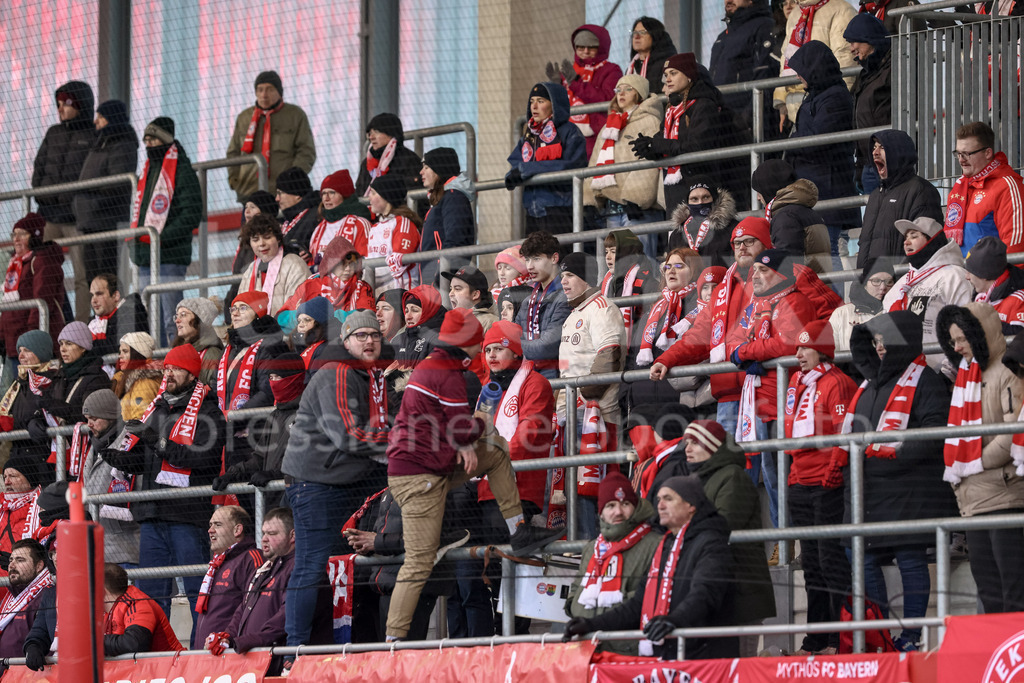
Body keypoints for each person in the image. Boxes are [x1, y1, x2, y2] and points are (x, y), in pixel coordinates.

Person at [384, 309, 563, 641]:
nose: (486, 351)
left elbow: (467, 431)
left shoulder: (433, 367)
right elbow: (462, 426)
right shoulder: (448, 373)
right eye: (483, 345)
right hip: (422, 475)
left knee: (494, 453)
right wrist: (475, 430)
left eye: (496, 347)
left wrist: (470, 438)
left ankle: (514, 530)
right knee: (420, 563)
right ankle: (393, 641)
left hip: (428, 470)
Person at [834, 310, 954, 651]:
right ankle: (884, 635)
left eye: (887, 340)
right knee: (864, 560)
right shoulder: (867, 385)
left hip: (910, 489)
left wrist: (896, 454)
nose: (881, 347)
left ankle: (912, 637)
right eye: (877, 341)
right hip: (867, 492)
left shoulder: (926, 379)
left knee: (910, 558)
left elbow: (936, 430)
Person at [280, 312, 397, 648]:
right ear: (346, 342)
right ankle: (295, 650)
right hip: (317, 482)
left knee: (343, 568)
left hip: (344, 480)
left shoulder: (368, 375)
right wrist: (400, 444)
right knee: (312, 565)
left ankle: (346, 644)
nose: (370, 341)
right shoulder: (338, 372)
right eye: (360, 336)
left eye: (374, 335)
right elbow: (348, 435)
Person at [99, 344, 225, 622]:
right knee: (151, 597)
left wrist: (159, 442)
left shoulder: (209, 411)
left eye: (176, 369)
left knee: (196, 593)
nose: (168, 374)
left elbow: (206, 458)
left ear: (192, 375)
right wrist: (114, 457)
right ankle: (155, 657)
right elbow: (144, 464)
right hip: (152, 515)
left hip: (187, 517)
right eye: (166, 368)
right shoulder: (155, 409)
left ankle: (201, 654)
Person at [563, 475, 738, 659]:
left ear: (691, 505)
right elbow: (639, 602)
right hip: (674, 655)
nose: (660, 505)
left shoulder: (711, 543)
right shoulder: (668, 545)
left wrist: (676, 620)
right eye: (659, 499)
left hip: (706, 658)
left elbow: (705, 593)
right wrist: (591, 625)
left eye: (669, 499)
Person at [940, 304, 1024, 615]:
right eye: (953, 342)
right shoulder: (965, 376)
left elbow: (1013, 433)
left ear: (980, 333)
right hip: (973, 500)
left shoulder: (1008, 371)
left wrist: (974, 462)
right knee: (989, 593)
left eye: (962, 338)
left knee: (1014, 590)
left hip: (1005, 496)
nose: (958, 347)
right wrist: (969, 467)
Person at [726, 249, 816, 530]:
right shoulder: (759, 303)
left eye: (764, 271)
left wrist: (750, 352)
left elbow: (789, 345)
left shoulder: (794, 301)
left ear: (781, 274)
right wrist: (747, 352)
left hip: (785, 401)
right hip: (763, 401)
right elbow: (732, 343)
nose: (757, 276)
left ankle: (791, 539)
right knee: (772, 474)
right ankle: (782, 537)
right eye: (755, 272)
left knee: (784, 475)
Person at [783, 321, 856, 655]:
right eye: (797, 348)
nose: (799, 355)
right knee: (811, 565)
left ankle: (837, 640)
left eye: (805, 348)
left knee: (829, 562)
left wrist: (833, 470)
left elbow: (844, 433)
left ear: (823, 350)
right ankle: (815, 639)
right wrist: (793, 477)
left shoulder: (837, 382)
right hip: (800, 482)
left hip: (827, 484)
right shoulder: (796, 381)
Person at [681, 420, 776, 657]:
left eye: (694, 442)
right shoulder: (697, 480)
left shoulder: (733, 476)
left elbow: (722, 525)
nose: (687, 449)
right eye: (686, 443)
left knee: (739, 669)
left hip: (741, 595)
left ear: (712, 445)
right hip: (719, 592)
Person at [558, 253, 627, 536]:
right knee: (574, 486)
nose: (563, 281)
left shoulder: (602, 308)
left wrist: (581, 393)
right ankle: (582, 552)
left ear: (586, 277)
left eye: (570, 275)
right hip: (574, 412)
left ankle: (597, 547)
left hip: (597, 414)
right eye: (562, 276)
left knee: (594, 487)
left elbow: (609, 354)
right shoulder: (576, 311)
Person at [631, 53, 744, 216]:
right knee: (677, 239)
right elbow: (662, 141)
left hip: (700, 189)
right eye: (666, 75)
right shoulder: (672, 108)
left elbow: (698, 145)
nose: (668, 79)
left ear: (689, 76)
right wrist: (648, 147)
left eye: (674, 73)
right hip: (676, 191)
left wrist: (658, 144)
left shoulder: (705, 105)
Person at [565, 472, 662, 656]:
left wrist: (601, 616)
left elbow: (649, 597)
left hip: (628, 652)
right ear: (601, 512)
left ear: (635, 507)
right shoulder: (592, 548)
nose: (618, 511)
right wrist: (573, 607)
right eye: (611, 505)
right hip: (586, 650)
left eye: (625, 504)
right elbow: (576, 589)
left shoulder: (655, 544)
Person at [130, 117, 203, 344]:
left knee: (173, 319)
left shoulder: (182, 170)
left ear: (165, 140)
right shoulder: (149, 170)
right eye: (147, 140)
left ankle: (176, 363)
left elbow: (191, 214)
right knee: (151, 318)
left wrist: (161, 238)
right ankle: (159, 369)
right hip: (145, 257)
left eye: (154, 138)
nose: (149, 144)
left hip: (169, 255)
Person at [785, 41, 860, 261]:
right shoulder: (817, 95)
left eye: (802, 71)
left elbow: (819, 140)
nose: (798, 77)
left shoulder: (835, 97)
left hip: (829, 188)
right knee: (818, 256)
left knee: (827, 254)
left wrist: (791, 144)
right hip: (816, 187)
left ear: (814, 69)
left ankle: (832, 296)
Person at [31, 80, 95, 321]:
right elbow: (38, 170)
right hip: (49, 216)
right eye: (58, 104)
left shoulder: (92, 135)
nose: (60, 109)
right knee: (42, 272)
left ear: (80, 104)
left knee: (82, 275)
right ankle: (52, 321)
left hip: (75, 218)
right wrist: (44, 196)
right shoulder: (53, 133)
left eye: (66, 104)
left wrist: (72, 200)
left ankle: (80, 326)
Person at [213, 352, 306, 505]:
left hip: (296, 499)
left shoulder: (307, 413)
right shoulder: (275, 415)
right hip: (272, 502)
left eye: (279, 378)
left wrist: (274, 474)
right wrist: (233, 474)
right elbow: (260, 457)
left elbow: (304, 459)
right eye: (271, 378)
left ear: (295, 378)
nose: (274, 383)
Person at [584, 75, 665, 248]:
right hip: (612, 211)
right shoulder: (609, 126)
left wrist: (636, 198)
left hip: (640, 211)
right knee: (617, 268)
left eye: (628, 89)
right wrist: (590, 201)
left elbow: (648, 162)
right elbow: (595, 163)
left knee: (640, 265)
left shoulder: (650, 121)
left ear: (640, 94)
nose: (621, 93)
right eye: (618, 90)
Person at [883, 217, 973, 372]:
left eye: (914, 236)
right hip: (903, 378)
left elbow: (967, 328)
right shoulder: (900, 286)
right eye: (905, 238)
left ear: (932, 241)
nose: (906, 242)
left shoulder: (955, 276)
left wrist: (947, 375)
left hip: (943, 378)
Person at [506, 82, 588, 235]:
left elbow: (572, 166)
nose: (534, 106)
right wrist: (513, 174)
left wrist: (527, 170)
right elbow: (516, 162)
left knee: (558, 256)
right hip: (531, 209)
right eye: (532, 102)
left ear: (555, 105)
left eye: (541, 101)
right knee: (533, 257)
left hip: (558, 208)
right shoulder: (530, 134)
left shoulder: (570, 132)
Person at [856, 129, 944, 269]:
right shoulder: (875, 195)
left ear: (898, 152)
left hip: (901, 285)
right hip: (870, 285)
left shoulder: (921, 190)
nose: (875, 152)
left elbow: (925, 244)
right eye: (874, 148)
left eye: (882, 147)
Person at [226, 70, 316, 202]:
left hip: (282, 195)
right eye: (260, 90)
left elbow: (306, 152)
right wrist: (235, 181)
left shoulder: (295, 115)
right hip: (249, 193)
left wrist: (292, 181)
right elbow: (233, 152)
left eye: (270, 89)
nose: (264, 94)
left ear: (279, 92)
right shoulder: (244, 118)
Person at [75, 99, 138, 282]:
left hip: (107, 221)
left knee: (106, 276)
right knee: (93, 278)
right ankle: (100, 312)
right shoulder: (101, 141)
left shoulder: (122, 143)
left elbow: (117, 184)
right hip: (91, 220)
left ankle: (113, 311)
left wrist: (91, 201)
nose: (96, 121)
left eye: (101, 117)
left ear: (111, 118)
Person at [1, 213, 65, 388]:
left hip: (31, 346)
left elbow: (43, 303)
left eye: (23, 234)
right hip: (13, 344)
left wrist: (29, 340)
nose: (17, 239)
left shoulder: (42, 261)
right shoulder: (15, 263)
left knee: (25, 395)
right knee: (9, 400)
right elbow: (7, 308)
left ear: (35, 235)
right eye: (14, 234)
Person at [944, 121, 1024, 256]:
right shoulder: (960, 187)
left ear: (987, 153)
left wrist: (999, 277)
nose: (961, 160)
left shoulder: (1007, 185)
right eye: (958, 153)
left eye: (967, 154)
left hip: (991, 276)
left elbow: (1016, 247)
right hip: (962, 273)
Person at [80, 388, 138, 567]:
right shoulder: (95, 444)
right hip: (99, 542)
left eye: (94, 419)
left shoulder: (129, 442)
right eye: (87, 420)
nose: (89, 424)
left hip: (124, 544)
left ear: (110, 417)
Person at [775, 0, 857, 126]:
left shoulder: (841, 9)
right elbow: (786, 57)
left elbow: (845, 58)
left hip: (827, 106)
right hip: (796, 109)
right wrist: (781, 101)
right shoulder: (796, 12)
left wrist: (839, 102)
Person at [193, 506, 262, 649]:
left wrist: (228, 640)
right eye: (210, 525)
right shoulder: (218, 563)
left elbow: (253, 608)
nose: (210, 530)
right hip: (209, 653)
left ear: (237, 530)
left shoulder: (251, 559)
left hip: (229, 653)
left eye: (218, 525)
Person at [549, 25, 623, 157]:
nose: (586, 51)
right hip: (566, 136)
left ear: (601, 47)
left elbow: (607, 99)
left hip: (596, 136)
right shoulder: (568, 70)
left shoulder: (611, 70)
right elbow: (556, 107)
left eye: (592, 47)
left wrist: (576, 84)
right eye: (581, 47)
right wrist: (555, 87)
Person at [278, 236, 375, 334]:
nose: (348, 269)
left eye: (352, 264)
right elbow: (281, 319)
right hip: (310, 343)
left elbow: (368, 317)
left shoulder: (362, 287)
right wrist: (300, 317)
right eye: (343, 264)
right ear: (332, 264)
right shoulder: (310, 285)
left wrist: (318, 317)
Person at [710, 0, 779, 136]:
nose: (728, 1)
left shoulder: (765, 26)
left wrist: (747, 118)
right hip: (721, 124)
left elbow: (766, 76)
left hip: (749, 126)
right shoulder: (722, 37)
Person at [750, 160, 831, 272]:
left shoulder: (786, 217)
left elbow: (786, 267)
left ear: (769, 188)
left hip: (802, 287)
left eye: (759, 192)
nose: (758, 198)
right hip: (814, 285)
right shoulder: (803, 211)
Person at [0, 332, 61, 473]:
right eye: (19, 351)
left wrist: (33, 421)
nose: (20, 356)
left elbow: (55, 414)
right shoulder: (19, 383)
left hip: (43, 462)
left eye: (27, 351)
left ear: (41, 352)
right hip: (19, 456)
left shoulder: (53, 381)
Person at [845, 15, 892, 194]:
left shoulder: (894, 67)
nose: (851, 49)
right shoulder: (865, 73)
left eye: (853, 42)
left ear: (868, 38)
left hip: (890, 161)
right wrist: (860, 164)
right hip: (868, 165)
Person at [515, 231, 571, 379]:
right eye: (527, 260)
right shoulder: (529, 299)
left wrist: (515, 346)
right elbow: (513, 333)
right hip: (529, 374)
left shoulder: (567, 295)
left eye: (536, 259)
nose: (530, 266)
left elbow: (548, 347)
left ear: (554, 258)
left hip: (557, 376)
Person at [418, 148, 475, 286]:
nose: (421, 172)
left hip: (443, 282)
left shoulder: (454, 198)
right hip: (435, 280)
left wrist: (441, 279)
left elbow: (456, 241)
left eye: (426, 167)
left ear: (438, 169)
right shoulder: (444, 198)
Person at [235, 214, 310, 317]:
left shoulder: (295, 264)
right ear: (250, 243)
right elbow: (240, 309)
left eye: (267, 237)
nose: (262, 243)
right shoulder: (250, 270)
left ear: (278, 238)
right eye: (255, 239)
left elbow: (298, 310)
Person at [101, 563, 183, 656]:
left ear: (101, 591)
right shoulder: (103, 610)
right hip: (143, 668)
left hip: (171, 666)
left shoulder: (137, 603)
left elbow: (134, 644)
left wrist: (93, 642)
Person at [0, 540, 55, 660]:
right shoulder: (9, 596)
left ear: (39, 566)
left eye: (20, 560)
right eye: (11, 560)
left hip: (29, 675)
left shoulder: (47, 596)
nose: (12, 565)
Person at [666, 176, 738, 268]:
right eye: (694, 199)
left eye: (706, 197)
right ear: (687, 203)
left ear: (714, 199)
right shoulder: (677, 235)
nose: (700, 203)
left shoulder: (732, 228)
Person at [367, 174, 422, 291]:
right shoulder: (375, 228)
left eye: (373, 193)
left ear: (386, 197)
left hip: (402, 294)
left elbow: (398, 265)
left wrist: (369, 277)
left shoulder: (403, 223)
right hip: (378, 294)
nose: (369, 197)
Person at [225, 190, 279, 307]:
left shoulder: (274, 244)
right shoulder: (245, 240)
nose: (247, 211)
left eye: (252, 207)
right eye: (246, 207)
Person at [829, 258, 896, 353]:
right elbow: (831, 354)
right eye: (876, 281)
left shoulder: (900, 311)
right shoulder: (841, 314)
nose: (883, 287)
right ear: (865, 284)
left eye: (889, 282)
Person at [307, 169, 371, 266]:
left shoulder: (360, 224)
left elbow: (365, 260)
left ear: (344, 195)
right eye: (323, 193)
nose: (326, 198)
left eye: (332, 192)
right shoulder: (319, 228)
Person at [355, 112, 423, 197]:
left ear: (391, 133)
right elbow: (359, 192)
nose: (371, 137)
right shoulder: (366, 163)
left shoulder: (409, 160)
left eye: (376, 132)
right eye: (370, 133)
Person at [965, 238, 1024, 333]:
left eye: (970, 272)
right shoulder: (978, 297)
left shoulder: (1019, 300)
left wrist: (982, 326)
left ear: (984, 274)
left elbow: (1018, 340)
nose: (966, 277)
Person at [86, 273, 149, 360]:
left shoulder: (131, 313)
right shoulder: (94, 321)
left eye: (99, 294)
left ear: (116, 296)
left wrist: (87, 345)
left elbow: (119, 345)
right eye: (92, 295)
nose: (94, 300)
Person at [0, 457, 46, 573]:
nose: (7, 482)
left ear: (29, 479)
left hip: (22, 580)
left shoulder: (42, 509)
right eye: (5, 477)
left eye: (13, 476)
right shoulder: (2, 507)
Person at [172, 297, 224, 389]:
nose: (177, 320)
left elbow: (214, 394)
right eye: (176, 316)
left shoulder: (212, 355)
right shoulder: (177, 353)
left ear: (200, 321)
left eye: (183, 315)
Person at [111, 332, 162, 421]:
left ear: (137, 354)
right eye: (120, 352)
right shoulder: (125, 381)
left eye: (125, 351)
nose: (120, 356)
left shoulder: (145, 383)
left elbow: (140, 421)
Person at [277, 167, 326, 258]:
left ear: (297, 195)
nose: (277, 198)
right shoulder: (287, 219)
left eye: (280, 193)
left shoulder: (315, 216)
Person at [624, 17, 678, 100]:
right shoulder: (631, 69)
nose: (637, 36)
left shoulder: (667, 64)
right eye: (634, 32)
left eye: (643, 32)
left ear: (655, 36)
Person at [444, 264, 498, 333]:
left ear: (475, 294)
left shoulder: (490, 324)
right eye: (451, 289)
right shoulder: (452, 321)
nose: (450, 294)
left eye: (457, 289)